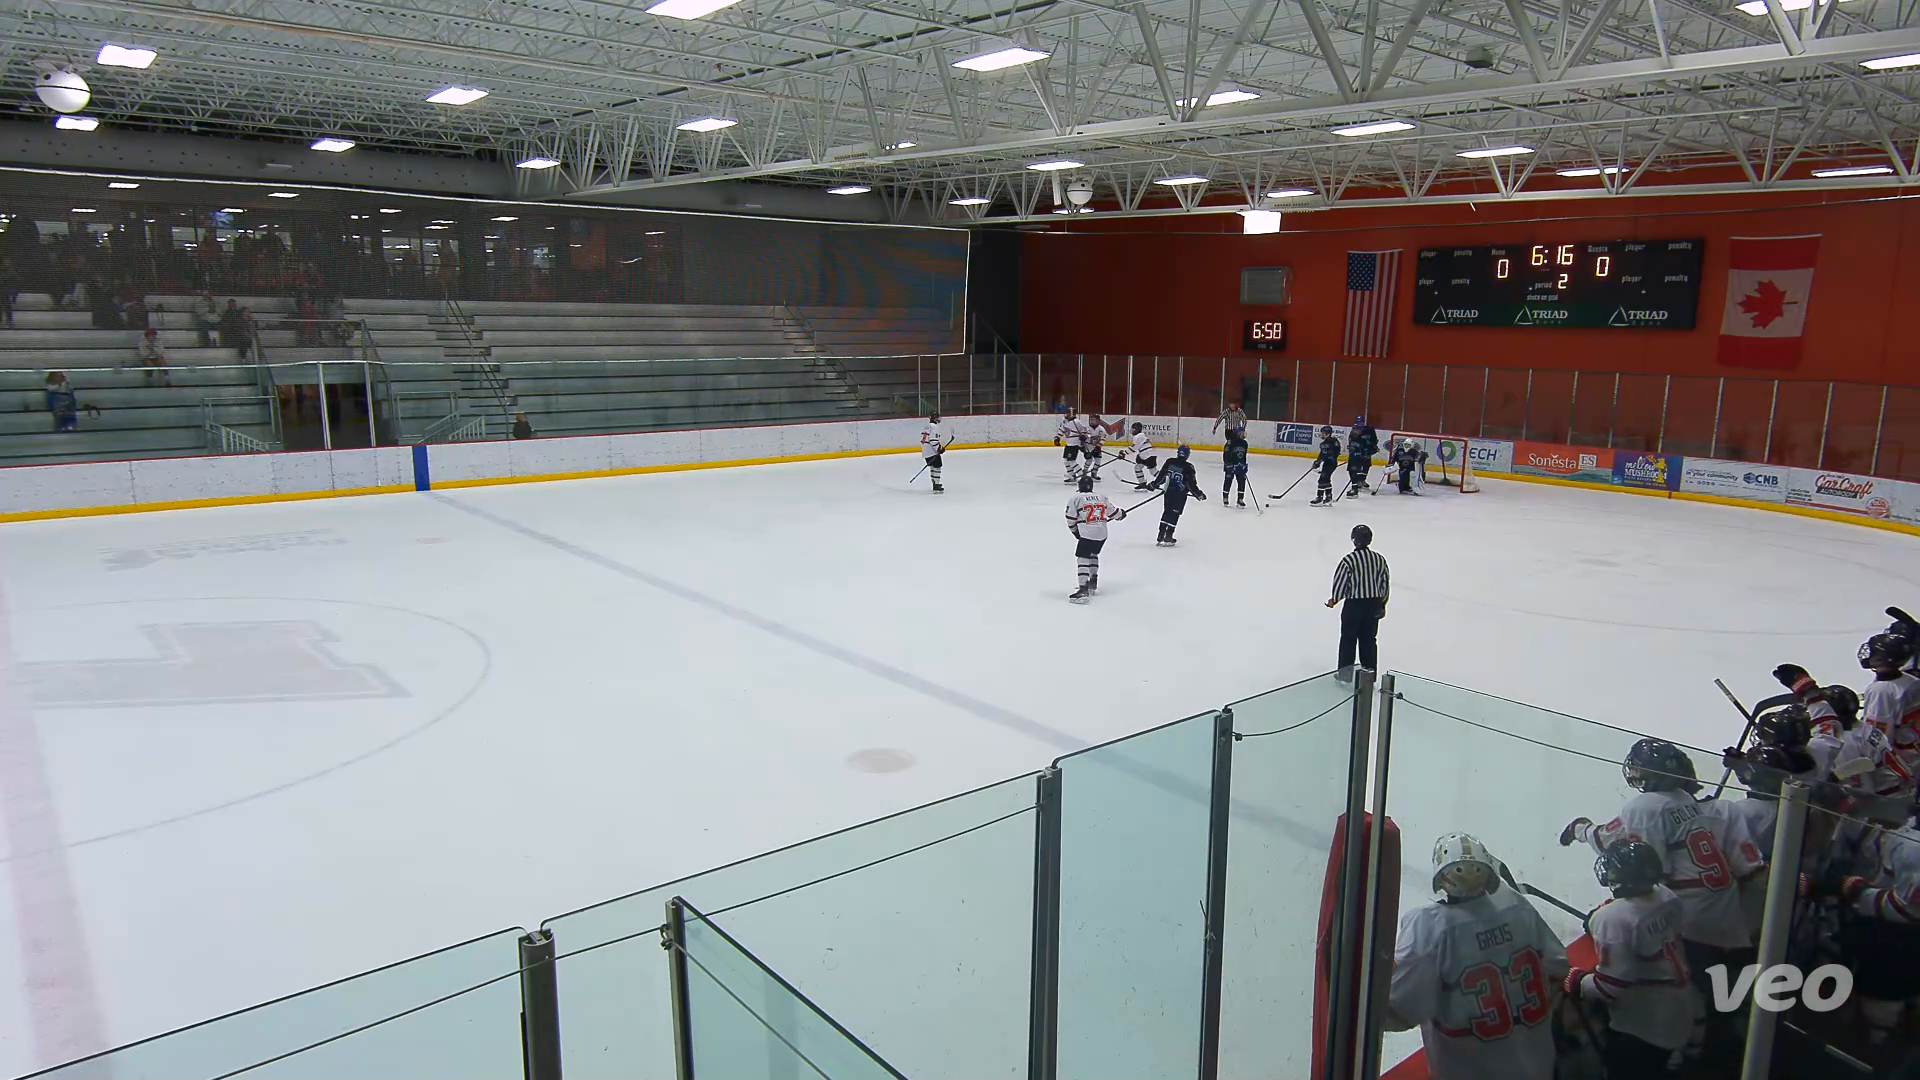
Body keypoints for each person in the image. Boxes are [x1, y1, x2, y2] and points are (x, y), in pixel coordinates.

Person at [1559, 738, 1764, 1064]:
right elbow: (1620, 836)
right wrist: (1584, 831)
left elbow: (1646, 870)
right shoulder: (1683, 799)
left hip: (1694, 918)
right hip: (1723, 909)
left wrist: (1610, 913)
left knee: (1678, 981)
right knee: (1703, 988)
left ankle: (1684, 1058)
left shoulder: (1644, 808)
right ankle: (1700, 1048)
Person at [1385, 833, 1567, 1080]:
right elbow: (1558, 966)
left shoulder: (1429, 928)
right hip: (1540, 1067)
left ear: (1442, 878)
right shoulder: (1515, 906)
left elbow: (1398, 1013)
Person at [1564, 840, 1694, 1079]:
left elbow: (1609, 988)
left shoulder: (1613, 918)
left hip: (1645, 1027)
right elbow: (1639, 918)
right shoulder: (1667, 895)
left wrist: (1575, 980)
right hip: (1682, 1006)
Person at [1326, 524, 1388, 681]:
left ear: (1354, 540)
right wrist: (1382, 603)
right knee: (1369, 641)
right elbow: (1384, 582)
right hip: (1373, 604)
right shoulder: (1379, 559)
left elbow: (1340, 581)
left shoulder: (1349, 560)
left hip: (1354, 605)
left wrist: (1335, 599)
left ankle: (1345, 676)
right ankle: (1369, 676)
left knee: (1348, 639)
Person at [1065, 473, 1123, 604]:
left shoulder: (1076, 498)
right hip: (1102, 534)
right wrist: (1121, 514)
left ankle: (1083, 588)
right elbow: (1114, 513)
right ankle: (1093, 581)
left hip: (1087, 533)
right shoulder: (1102, 497)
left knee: (1082, 557)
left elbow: (1070, 519)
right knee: (1093, 554)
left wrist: (1075, 532)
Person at [1147, 444, 1204, 546]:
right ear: (1187, 455)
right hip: (1180, 495)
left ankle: (1161, 534)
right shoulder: (1188, 467)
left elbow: (1162, 476)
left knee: (1167, 511)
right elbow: (1191, 484)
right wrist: (1198, 494)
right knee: (1175, 514)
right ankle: (1168, 536)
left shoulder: (1170, 462)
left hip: (1168, 492)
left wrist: (1154, 485)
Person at [1346, 416, 1380, 498]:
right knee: (1354, 469)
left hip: (1366, 452)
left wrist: (1372, 448)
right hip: (1358, 454)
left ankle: (1362, 480)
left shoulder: (1370, 430)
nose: (1359, 424)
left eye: (1361, 422)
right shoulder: (1354, 433)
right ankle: (1356, 482)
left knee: (1366, 465)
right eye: (1358, 422)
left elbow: (1374, 440)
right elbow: (1351, 443)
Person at [1310, 425, 1342, 506]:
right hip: (1326, 464)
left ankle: (1320, 498)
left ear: (1328, 433)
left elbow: (1336, 452)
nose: (1322, 434)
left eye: (1323, 433)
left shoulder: (1334, 442)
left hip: (1332, 463)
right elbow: (1322, 454)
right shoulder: (1323, 444)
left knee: (1322, 479)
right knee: (1326, 480)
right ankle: (1328, 498)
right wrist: (1317, 461)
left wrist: (1330, 456)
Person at [919, 410, 947, 494]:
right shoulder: (934, 427)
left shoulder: (926, 426)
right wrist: (939, 449)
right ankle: (936, 484)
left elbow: (924, 439)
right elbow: (933, 440)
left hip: (925, 450)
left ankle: (934, 482)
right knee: (937, 466)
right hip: (931, 450)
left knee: (932, 466)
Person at [1054, 407, 1084, 483]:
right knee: (1065, 460)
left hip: (1074, 444)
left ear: (1072, 414)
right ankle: (1072, 476)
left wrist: (1084, 438)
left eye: (1068, 413)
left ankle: (1082, 475)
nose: (1066, 414)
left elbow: (1085, 431)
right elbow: (1061, 430)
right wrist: (1057, 438)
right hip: (1069, 444)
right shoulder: (1065, 421)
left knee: (1071, 461)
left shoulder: (1077, 422)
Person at [1221, 431, 1249, 507]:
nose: (1243, 434)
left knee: (1242, 481)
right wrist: (1228, 464)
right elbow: (1226, 454)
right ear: (1238, 433)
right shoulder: (1230, 443)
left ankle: (1240, 499)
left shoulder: (1244, 443)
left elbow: (1244, 455)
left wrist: (1244, 465)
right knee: (1228, 481)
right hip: (1230, 465)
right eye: (1242, 433)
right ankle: (1225, 497)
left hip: (1240, 465)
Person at [1128, 422, 1157, 488]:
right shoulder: (1141, 436)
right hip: (1146, 454)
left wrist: (1124, 453)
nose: (1132, 431)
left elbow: (1133, 448)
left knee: (1153, 471)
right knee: (1138, 467)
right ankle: (1142, 483)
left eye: (1134, 429)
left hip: (1148, 454)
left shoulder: (1138, 436)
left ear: (1137, 429)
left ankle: (1163, 480)